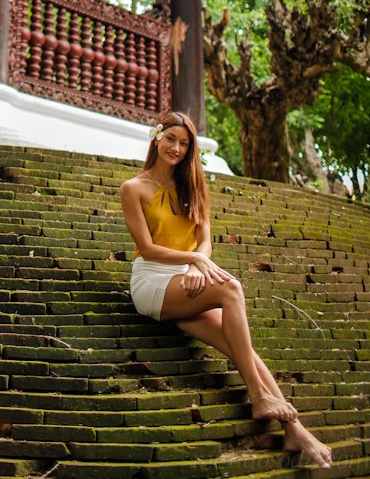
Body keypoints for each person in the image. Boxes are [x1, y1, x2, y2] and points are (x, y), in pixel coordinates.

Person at [120, 111, 332, 469]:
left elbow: (205, 242)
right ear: (157, 138)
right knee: (231, 288)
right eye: (171, 138)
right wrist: (193, 261)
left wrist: (194, 264)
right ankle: (258, 397)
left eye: (185, 143)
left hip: (190, 279)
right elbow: (149, 248)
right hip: (152, 280)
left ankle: (296, 430)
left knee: (241, 347)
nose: (176, 147)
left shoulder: (194, 188)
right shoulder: (133, 188)